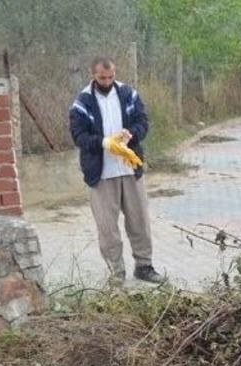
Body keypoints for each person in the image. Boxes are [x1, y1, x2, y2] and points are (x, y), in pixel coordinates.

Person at [69, 56, 164, 286]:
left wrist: (132, 133)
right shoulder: (82, 102)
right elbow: (78, 136)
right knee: (107, 227)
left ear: (115, 72)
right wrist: (103, 143)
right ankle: (116, 272)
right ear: (93, 74)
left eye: (111, 76)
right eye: (102, 77)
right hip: (101, 174)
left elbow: (143, 121)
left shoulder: (128, 94)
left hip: (130, 168)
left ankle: (144, 266)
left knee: (139, 221)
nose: (107, 81)